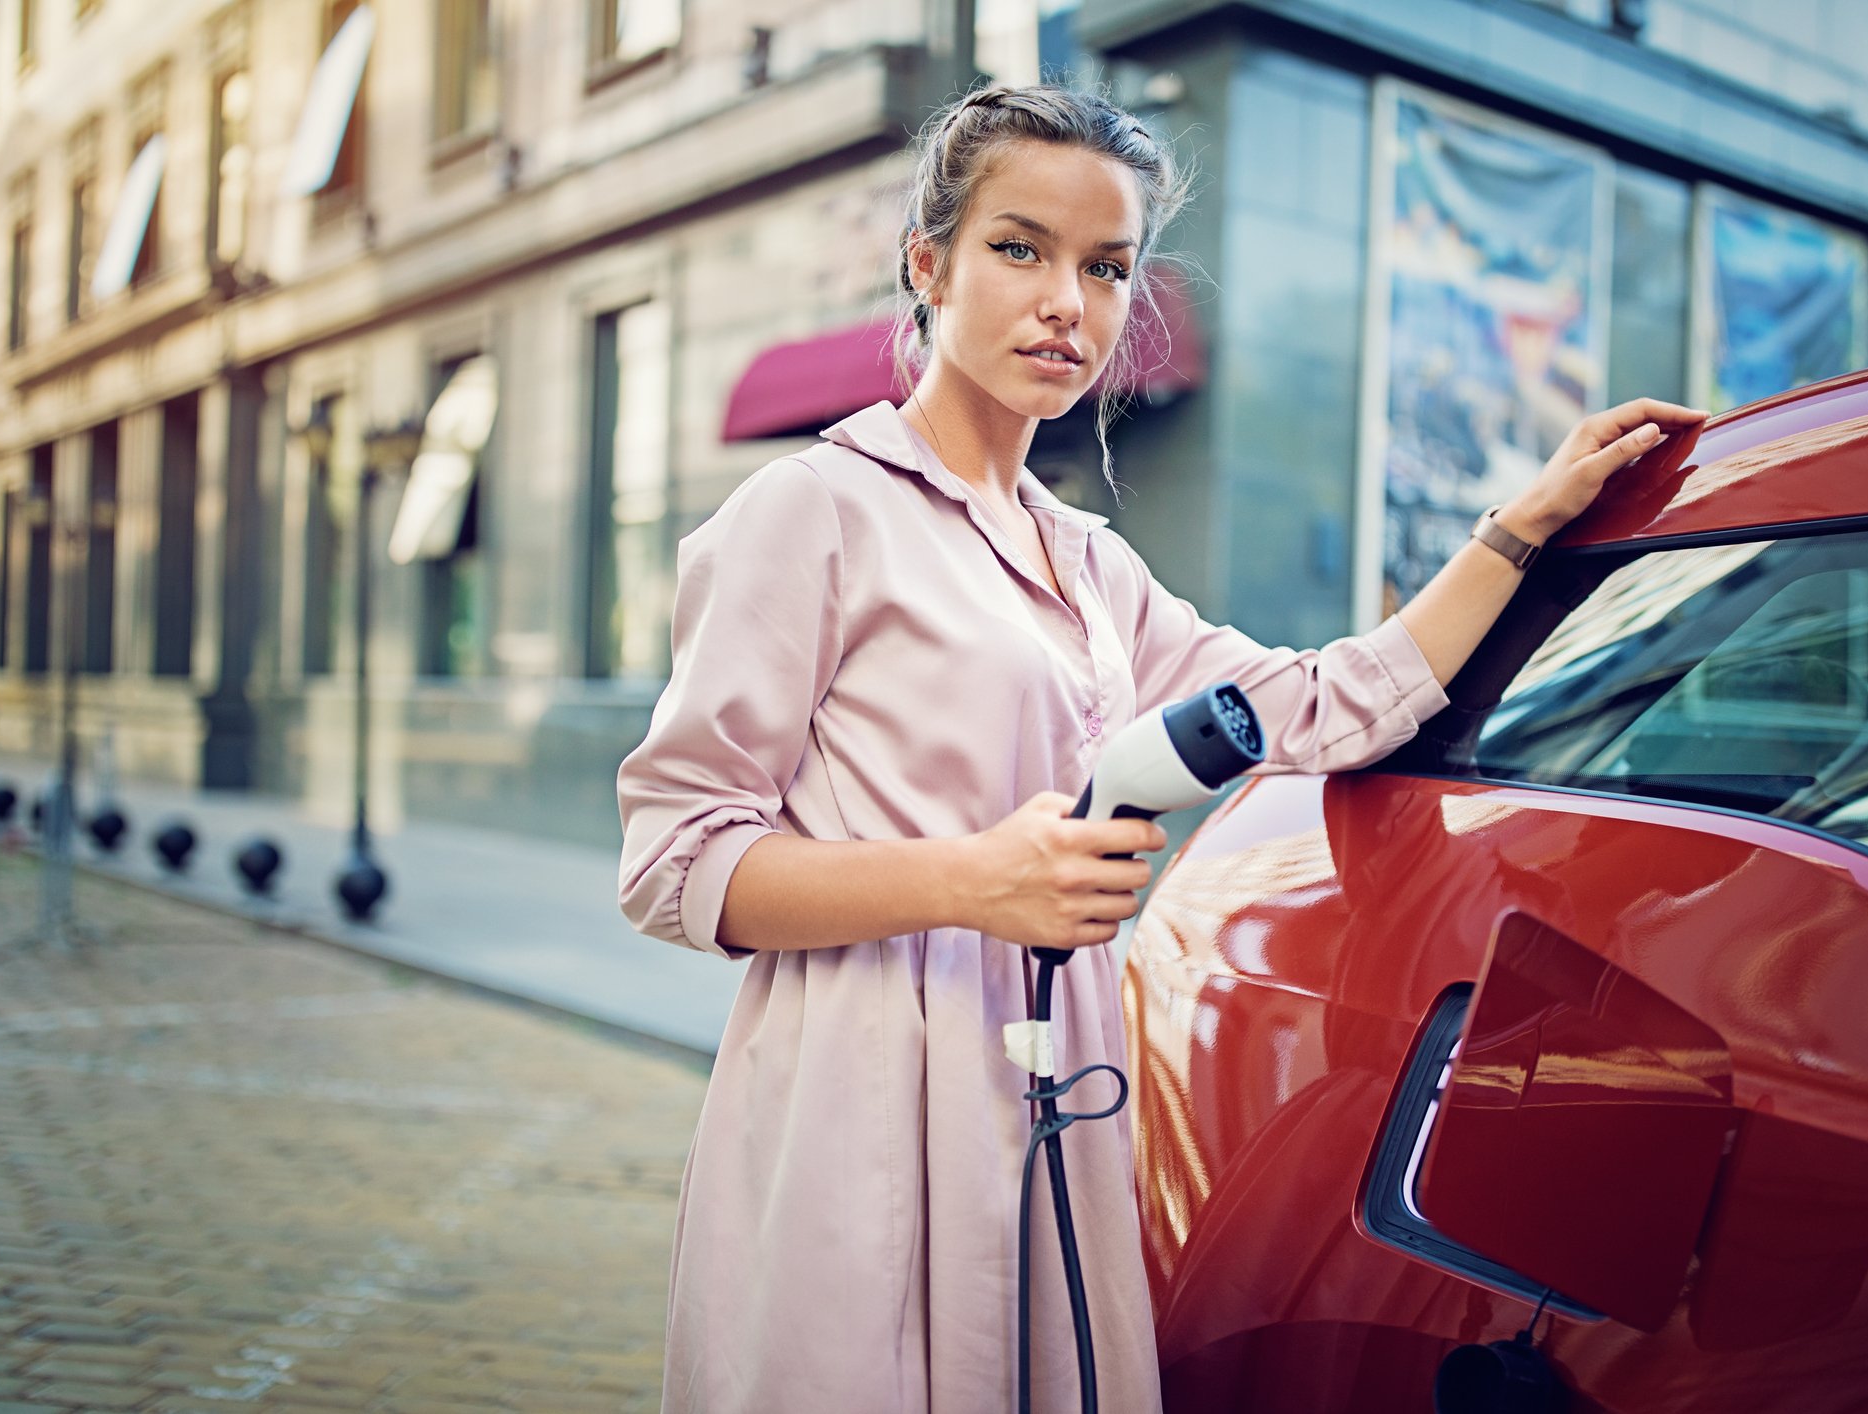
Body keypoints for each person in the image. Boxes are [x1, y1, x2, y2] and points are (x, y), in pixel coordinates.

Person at [615, 81, 1705, 1414]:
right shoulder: (811, 510)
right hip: (859, 1086)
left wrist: (1518, 529)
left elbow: (1328, 706)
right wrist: (970, 881)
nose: (1064, 301)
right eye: (1017, 249)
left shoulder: (1090, 563)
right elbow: (673, 858)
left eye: (1105, 266)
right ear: (927, 264)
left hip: (1056, 1078)